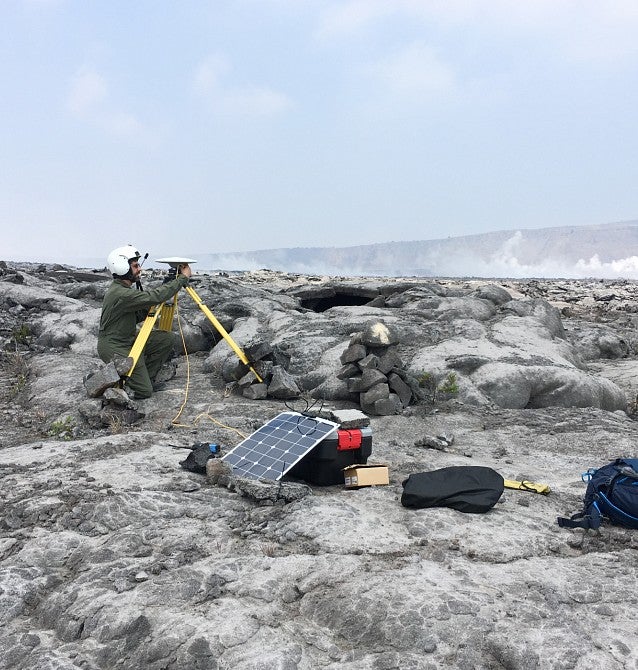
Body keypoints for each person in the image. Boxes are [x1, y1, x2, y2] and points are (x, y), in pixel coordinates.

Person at [98, 244, 192, 398]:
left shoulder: (124, 290)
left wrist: (167, 285)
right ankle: (128, 384)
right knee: (144, 391)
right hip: (114, 345)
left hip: (128, 339)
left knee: (166, 338)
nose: (139, 269)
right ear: (122, 268)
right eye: (135, 266)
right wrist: (182, 278)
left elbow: (141, 312)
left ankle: (144, 377)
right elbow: (154, 297)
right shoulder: (121, 293)